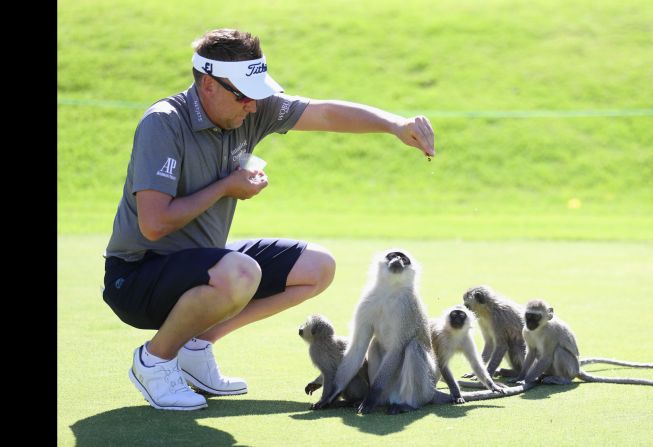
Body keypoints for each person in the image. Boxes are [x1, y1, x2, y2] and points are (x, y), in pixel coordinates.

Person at [102, 28, 435, 411]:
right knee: (240, 272)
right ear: (208, 85)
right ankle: (155, 361)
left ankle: (196, 346)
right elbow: (154, 224)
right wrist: (227, 186)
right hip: (136, 276)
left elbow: (324, 112)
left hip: (201, 262)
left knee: (317, 266)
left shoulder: (249, 109)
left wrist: (395, 125)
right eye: (244, 95)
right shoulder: (163, 123)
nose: (253, 106)